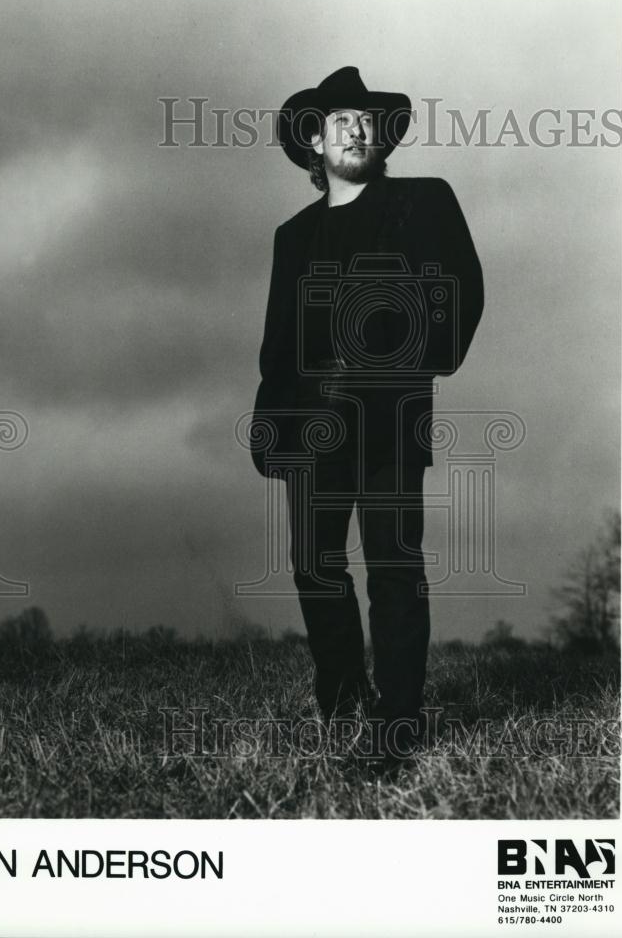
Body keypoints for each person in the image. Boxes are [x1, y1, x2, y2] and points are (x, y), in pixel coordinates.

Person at [250, 67, 483, 759]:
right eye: (339, 119)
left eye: (366, 119)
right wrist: (273, 428)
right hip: (309, 425)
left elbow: (458, 294)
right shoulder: (291, 237)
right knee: (314, 567)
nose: (356, 128)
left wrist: (401, 367)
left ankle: (397, 722)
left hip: (388, 417)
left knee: (392, 566)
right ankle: (346, 704)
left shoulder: (423, 201)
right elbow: (278, 344)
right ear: (313, 141)